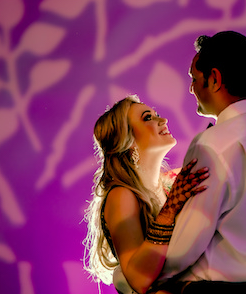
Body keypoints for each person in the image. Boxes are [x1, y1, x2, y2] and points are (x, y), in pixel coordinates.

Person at [155, 31, 246, 294]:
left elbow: (185, 246)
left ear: (214, 78)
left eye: (194, 78)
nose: (191, 88)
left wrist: (140, 271)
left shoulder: (212, 144)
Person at [83, 95, 209, 294]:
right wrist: (170, 210)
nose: (163, 120)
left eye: (157, 114)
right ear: (128, 140)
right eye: (148, 117)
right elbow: (138, 278)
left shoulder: (171, 183)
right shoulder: (121, 196)